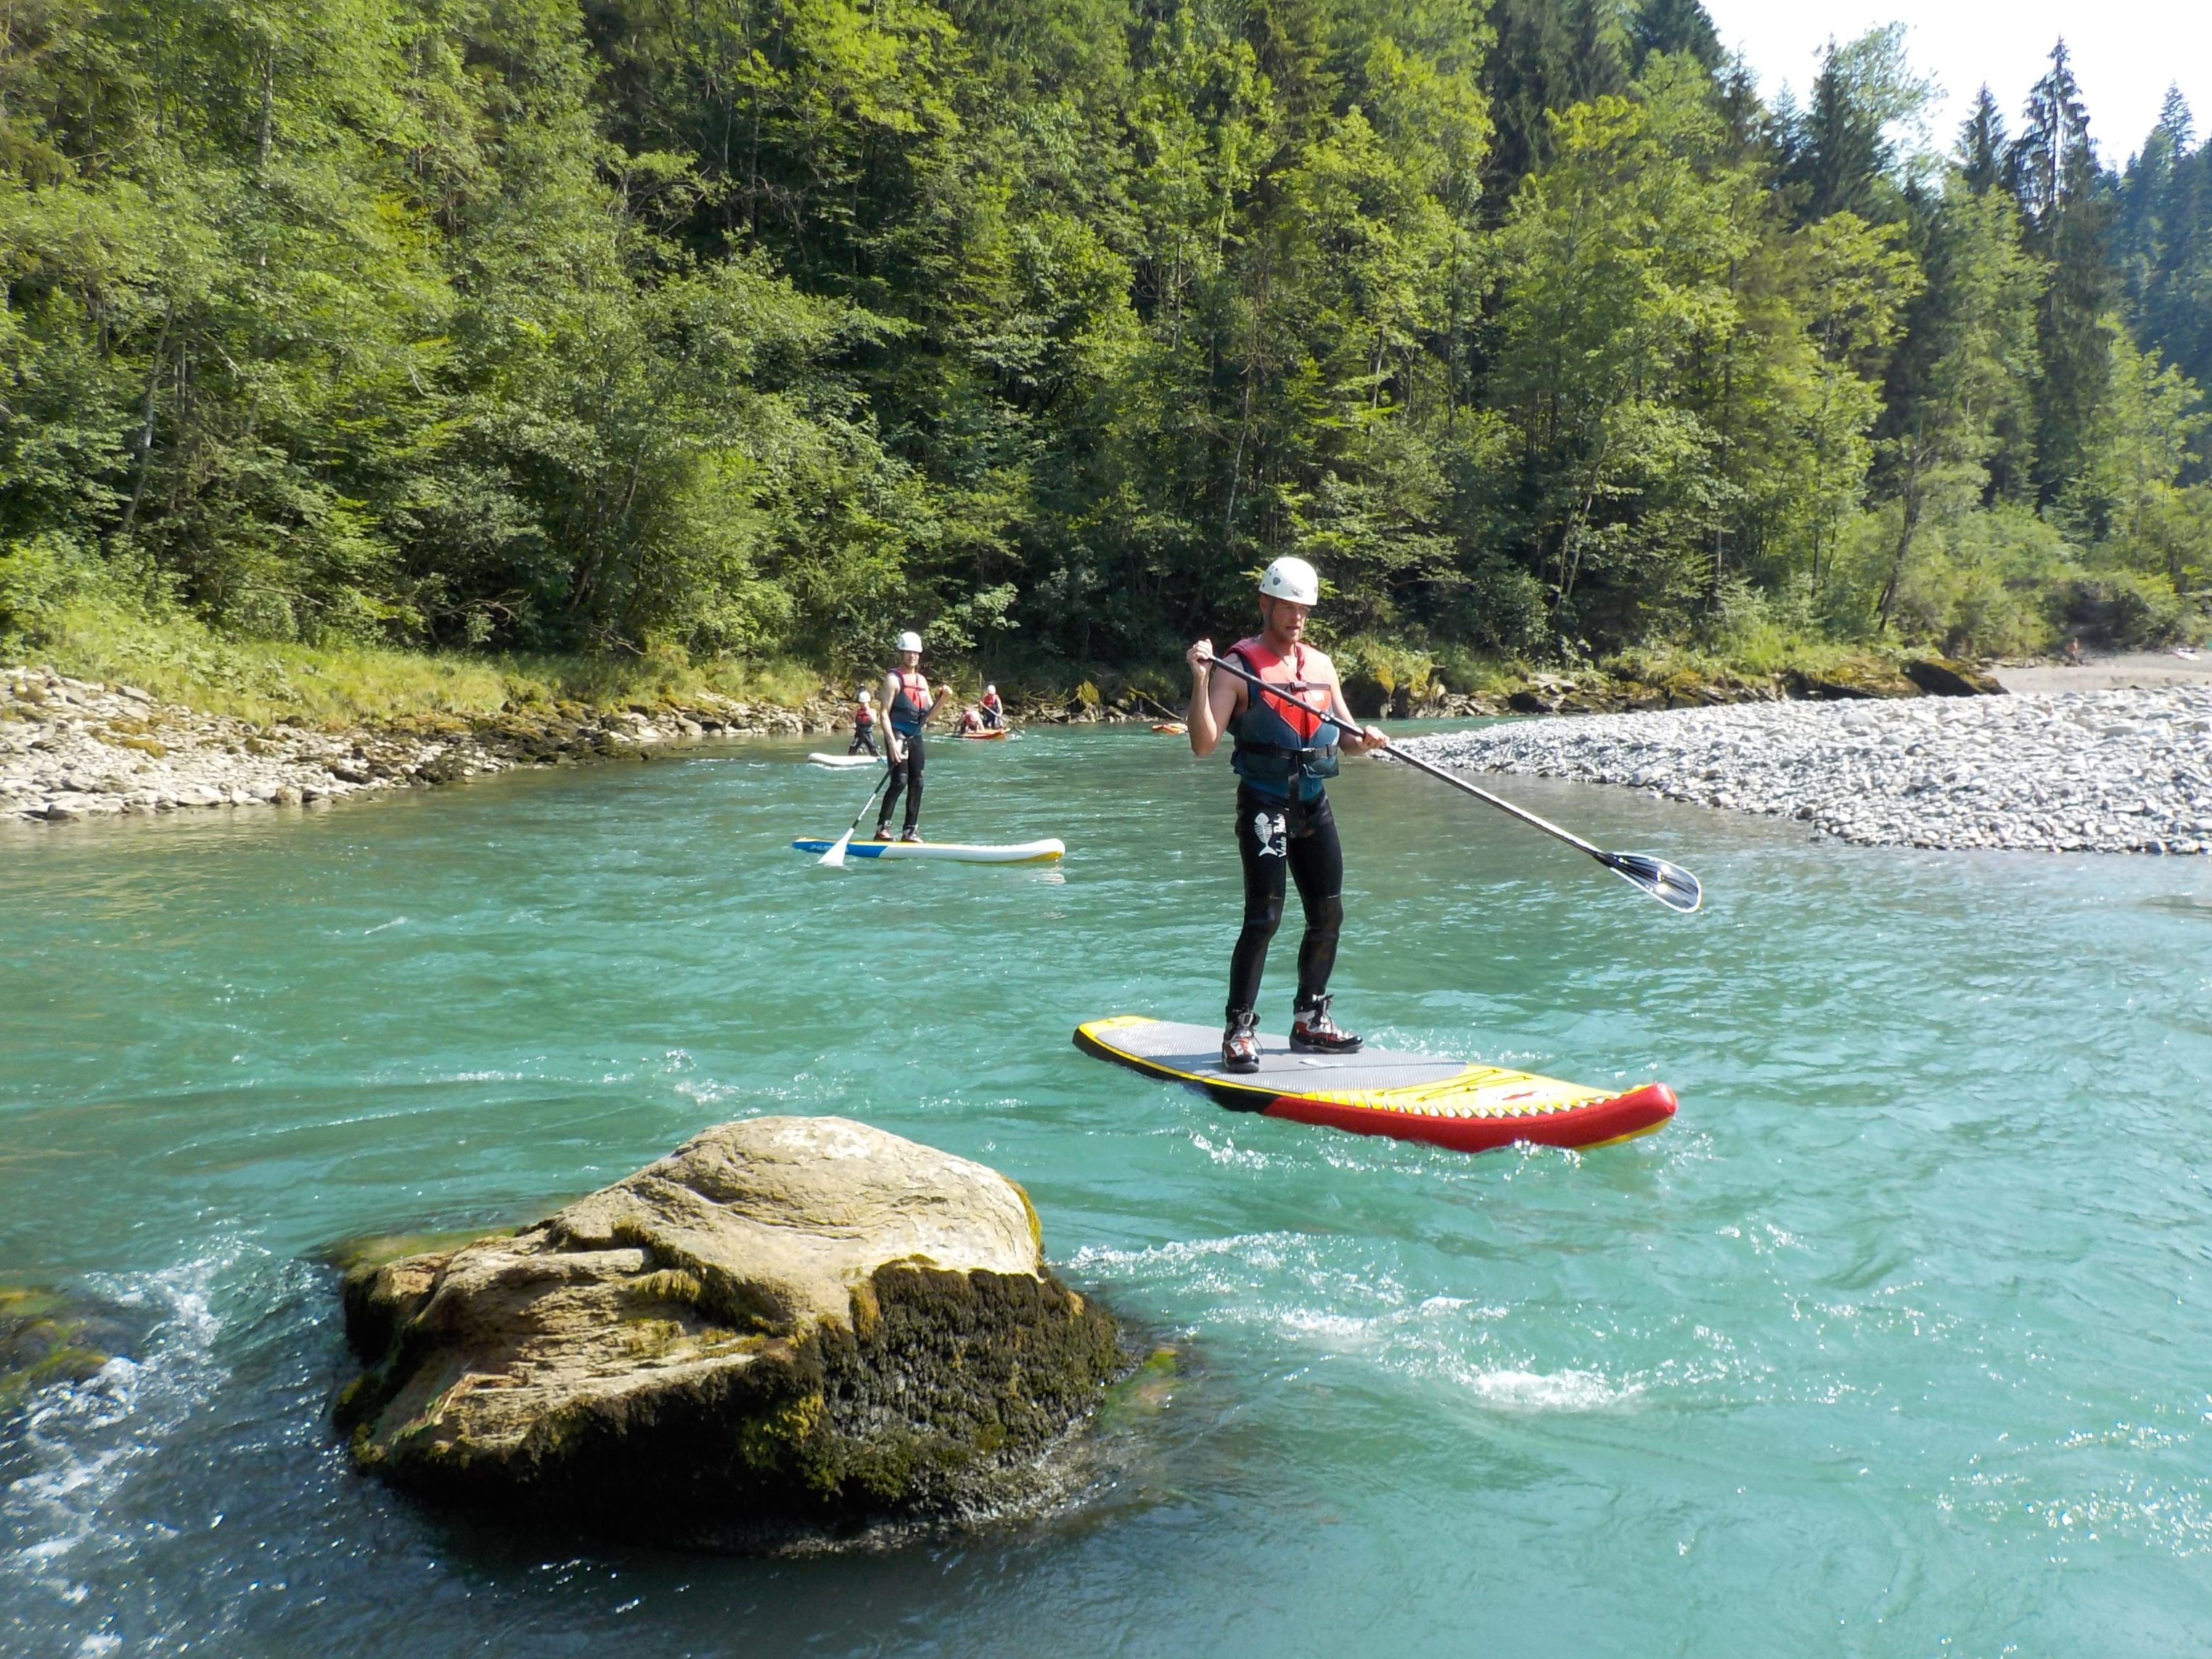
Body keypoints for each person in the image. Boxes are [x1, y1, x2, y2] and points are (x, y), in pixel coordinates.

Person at [1185, 557, 1390, 1073]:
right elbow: (1204, 744)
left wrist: (1368, 739)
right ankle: (1238, 1028)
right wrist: (1199, 679)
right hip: (1265, 804)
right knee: (1265, 917)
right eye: (1287, 607)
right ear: (1266, 605)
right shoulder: (1237, 666)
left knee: (1329, 913)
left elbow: (1346, 738)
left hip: (1313, 805)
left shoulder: (1321, 666)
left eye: (1303, 609)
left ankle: (1310, 1018)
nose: (1296, 617)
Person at [877, 631, 947, 842]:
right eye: (909, 653)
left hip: (915, 735)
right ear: (902, 653)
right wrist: (892, 744)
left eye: (916, 653)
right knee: (899, 780)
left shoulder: (922, 682)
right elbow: (883, 714)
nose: (913, 657)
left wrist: (944, 700)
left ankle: (910, 830)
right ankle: (883, 828)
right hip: (897, 733)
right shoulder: (893, 680)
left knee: (918, 782)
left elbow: (928, 717)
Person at [848, 687, 878, 755]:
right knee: (851, 751)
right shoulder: (857, 711)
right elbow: (850, 722)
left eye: (864, 703)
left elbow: (874, 721)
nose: (863, 705)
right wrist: (845, 713)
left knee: (873, 750)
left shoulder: (873, 711)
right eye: (861, 703)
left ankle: (875, 756)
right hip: (859, 734)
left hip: (868, 734)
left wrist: (868, 710)